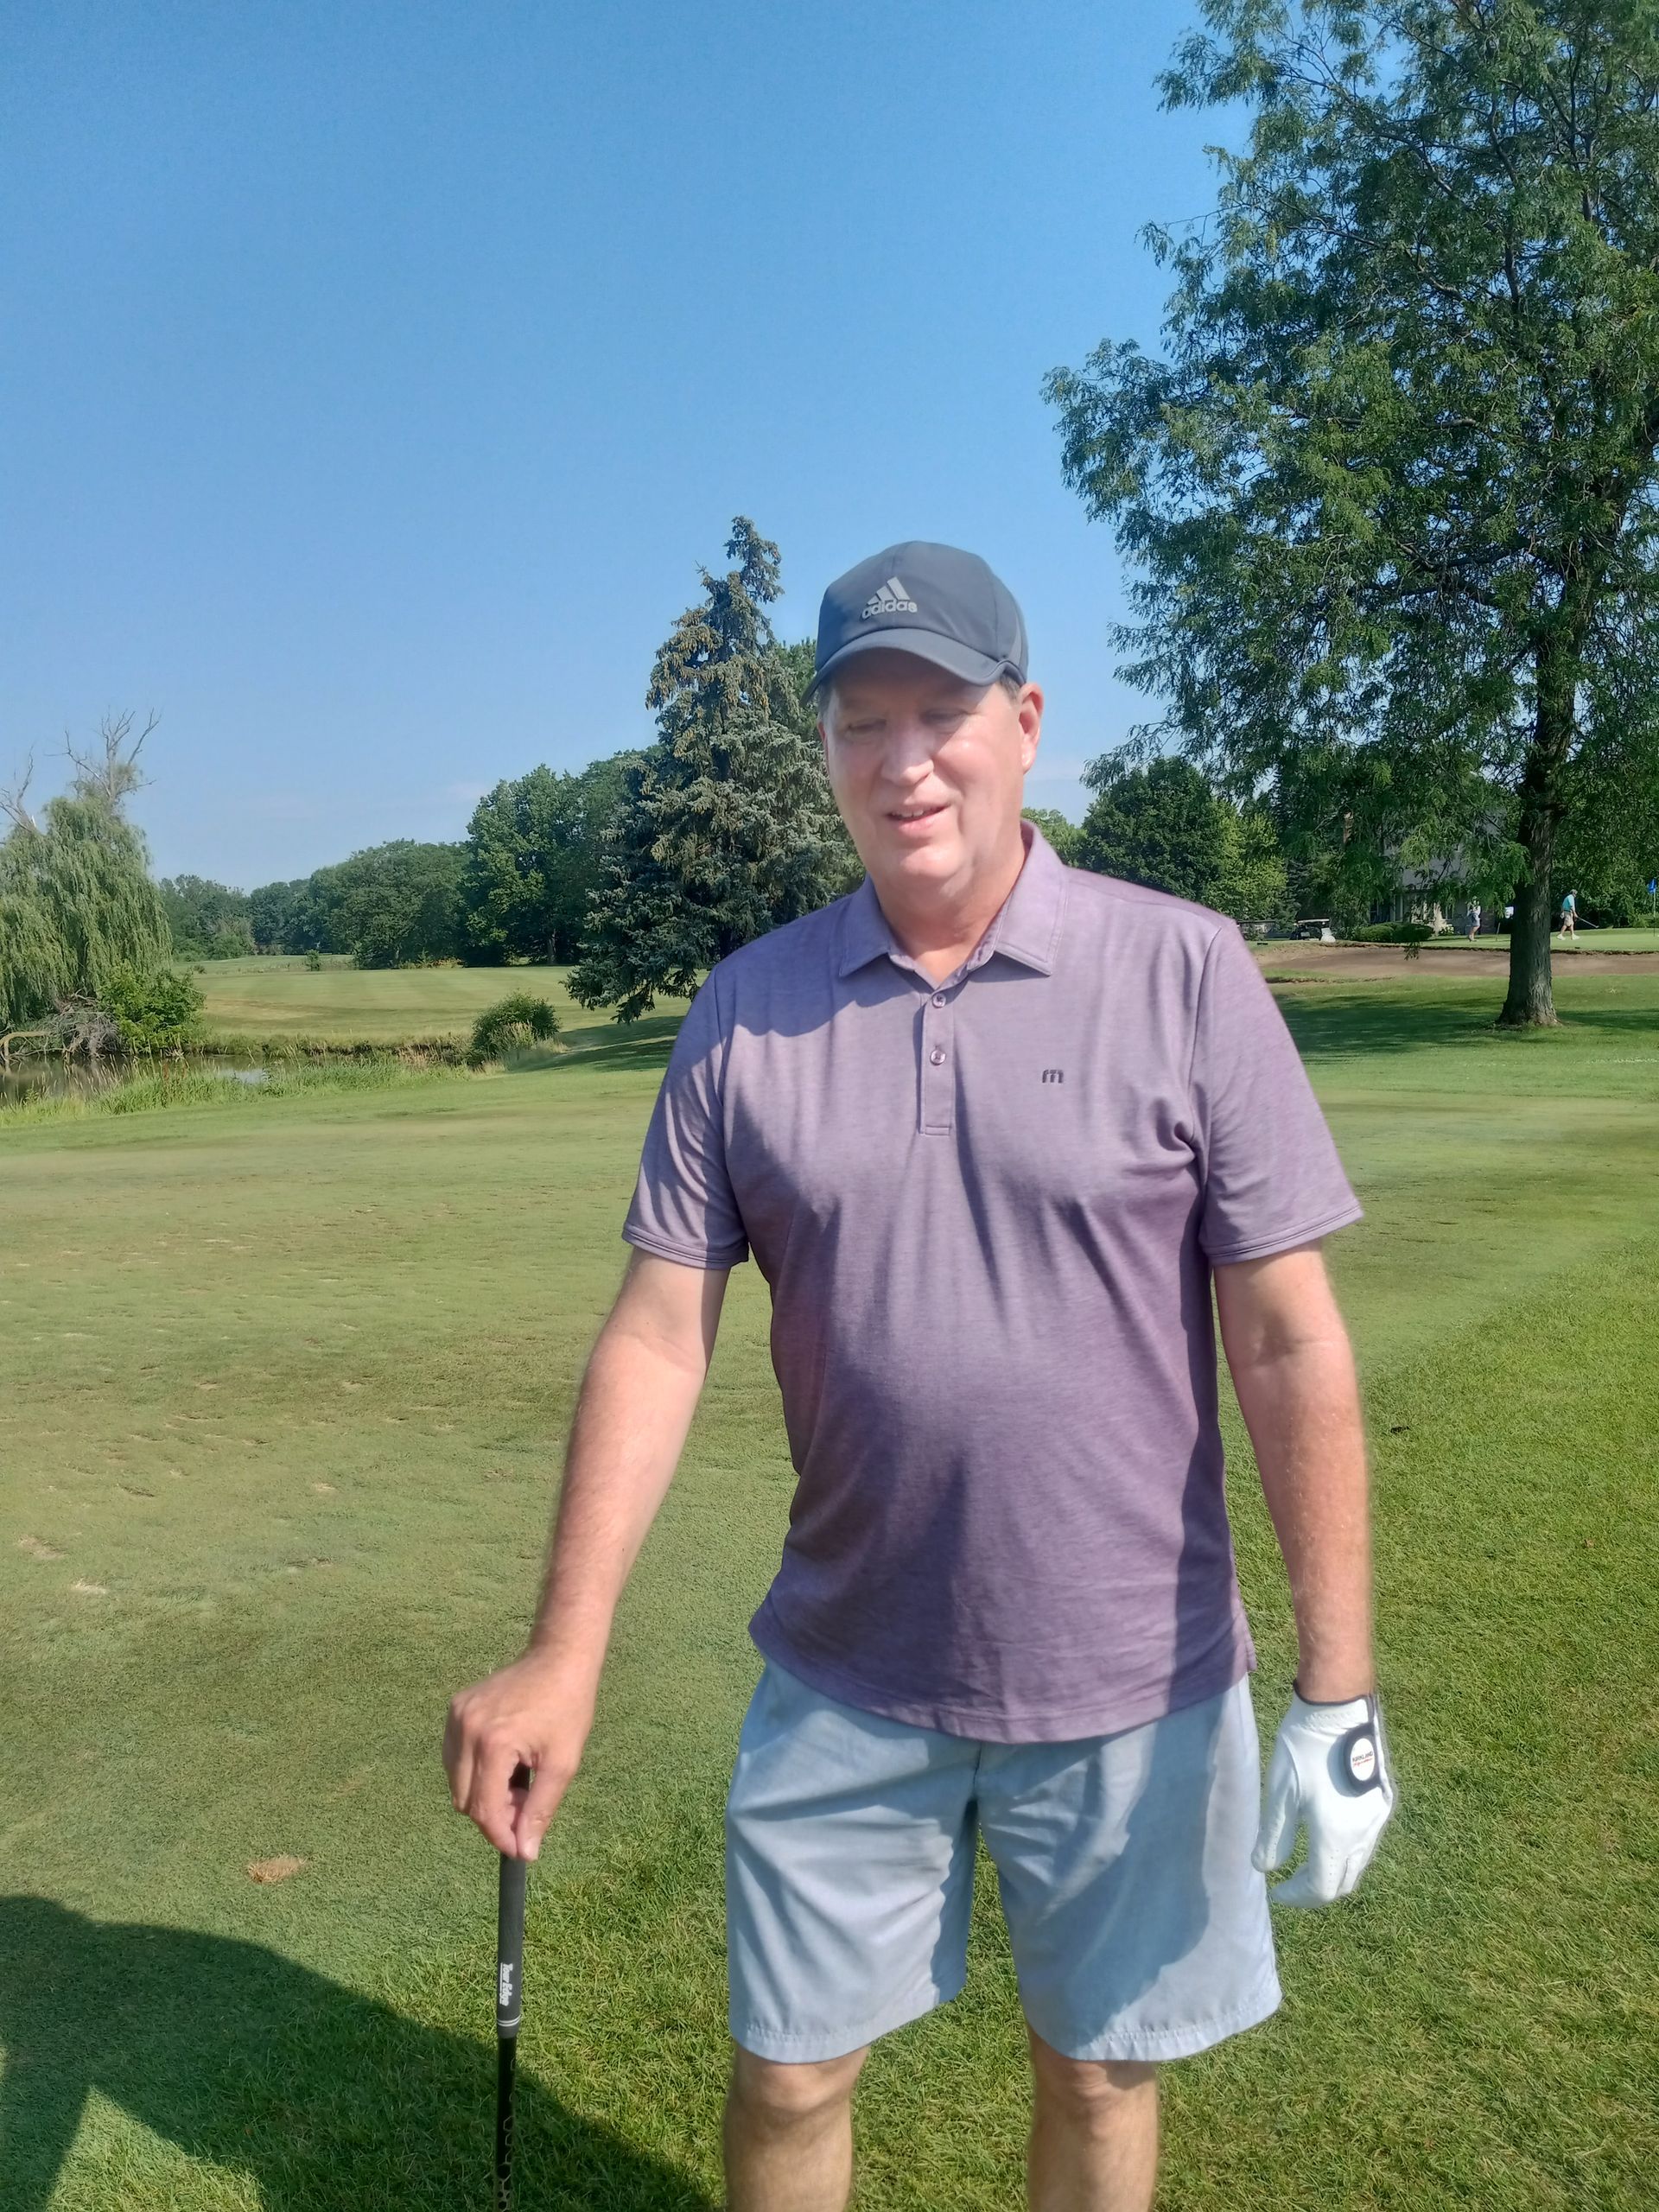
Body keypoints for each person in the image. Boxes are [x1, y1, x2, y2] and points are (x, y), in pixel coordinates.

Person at [443, 542, 1395, 2212]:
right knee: (790, 2072)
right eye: (860, 722)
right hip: (846, 1663)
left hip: (1135, 1674)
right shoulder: (746, 1013)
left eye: (942, 713)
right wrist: (562, 1651)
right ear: (824, 752)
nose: (903, 762)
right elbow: (660, 1335)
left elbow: (1287, 1333)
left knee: (1100, 2081)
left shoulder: (1184, 969)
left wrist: (1339, 1689)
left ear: (1023, 723)